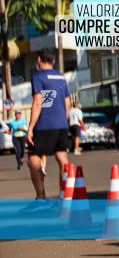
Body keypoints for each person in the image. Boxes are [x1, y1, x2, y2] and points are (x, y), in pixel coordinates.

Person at [25, 49, 71, 205]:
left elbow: (38, 102)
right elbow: (67, 103)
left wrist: (30, 128)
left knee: (33, 159)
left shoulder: (38, 76)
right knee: (62, 158)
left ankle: (41, 197)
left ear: (39, 60)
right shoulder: (60, 76)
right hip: (61, 124)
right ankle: (65, 195)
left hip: (45, 125)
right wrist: (63, 122)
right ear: (54, 62)